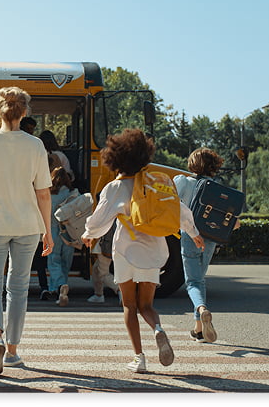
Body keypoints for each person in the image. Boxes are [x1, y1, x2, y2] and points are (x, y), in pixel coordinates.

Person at [81, 128, 205, 373]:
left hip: (126, 250)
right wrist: (194, 233)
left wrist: (88, 234)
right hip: (154, 250)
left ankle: (139, 358)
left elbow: (99, 220)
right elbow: (179, 210)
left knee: (129, 306)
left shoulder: (115, 188)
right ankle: (158, 330)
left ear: (116, 158)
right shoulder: (155, 182)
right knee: (147, 306)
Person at [0, 86, 54, 375]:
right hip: (28, 225)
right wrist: (48, 231)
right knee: (18, 289)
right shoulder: (35, 146)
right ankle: (13, 351)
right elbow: (43, 193)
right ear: (25, 112)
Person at [174, 147, 240, 343]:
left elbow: (173, 207)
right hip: (210, 237)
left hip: (189, 236)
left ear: (192, 163)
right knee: (200, 280)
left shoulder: (182, 181)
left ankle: (202, 310)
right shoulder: (218, 188)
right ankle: (199, 329)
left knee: (193, 282)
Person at [46, 166, 76, 307]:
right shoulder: (73, 195)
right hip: (70, 232)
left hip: (53, 231)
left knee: (54, 261)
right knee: (65, 262)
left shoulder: (49, 196)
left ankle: (59, 285)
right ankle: (60, 289)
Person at [87, 227, 120, 304]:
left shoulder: (105, 214)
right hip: (107, 242)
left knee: (103, 273)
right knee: (96, 269)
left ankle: (120, 290)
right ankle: (98, 295)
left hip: (105, 244)